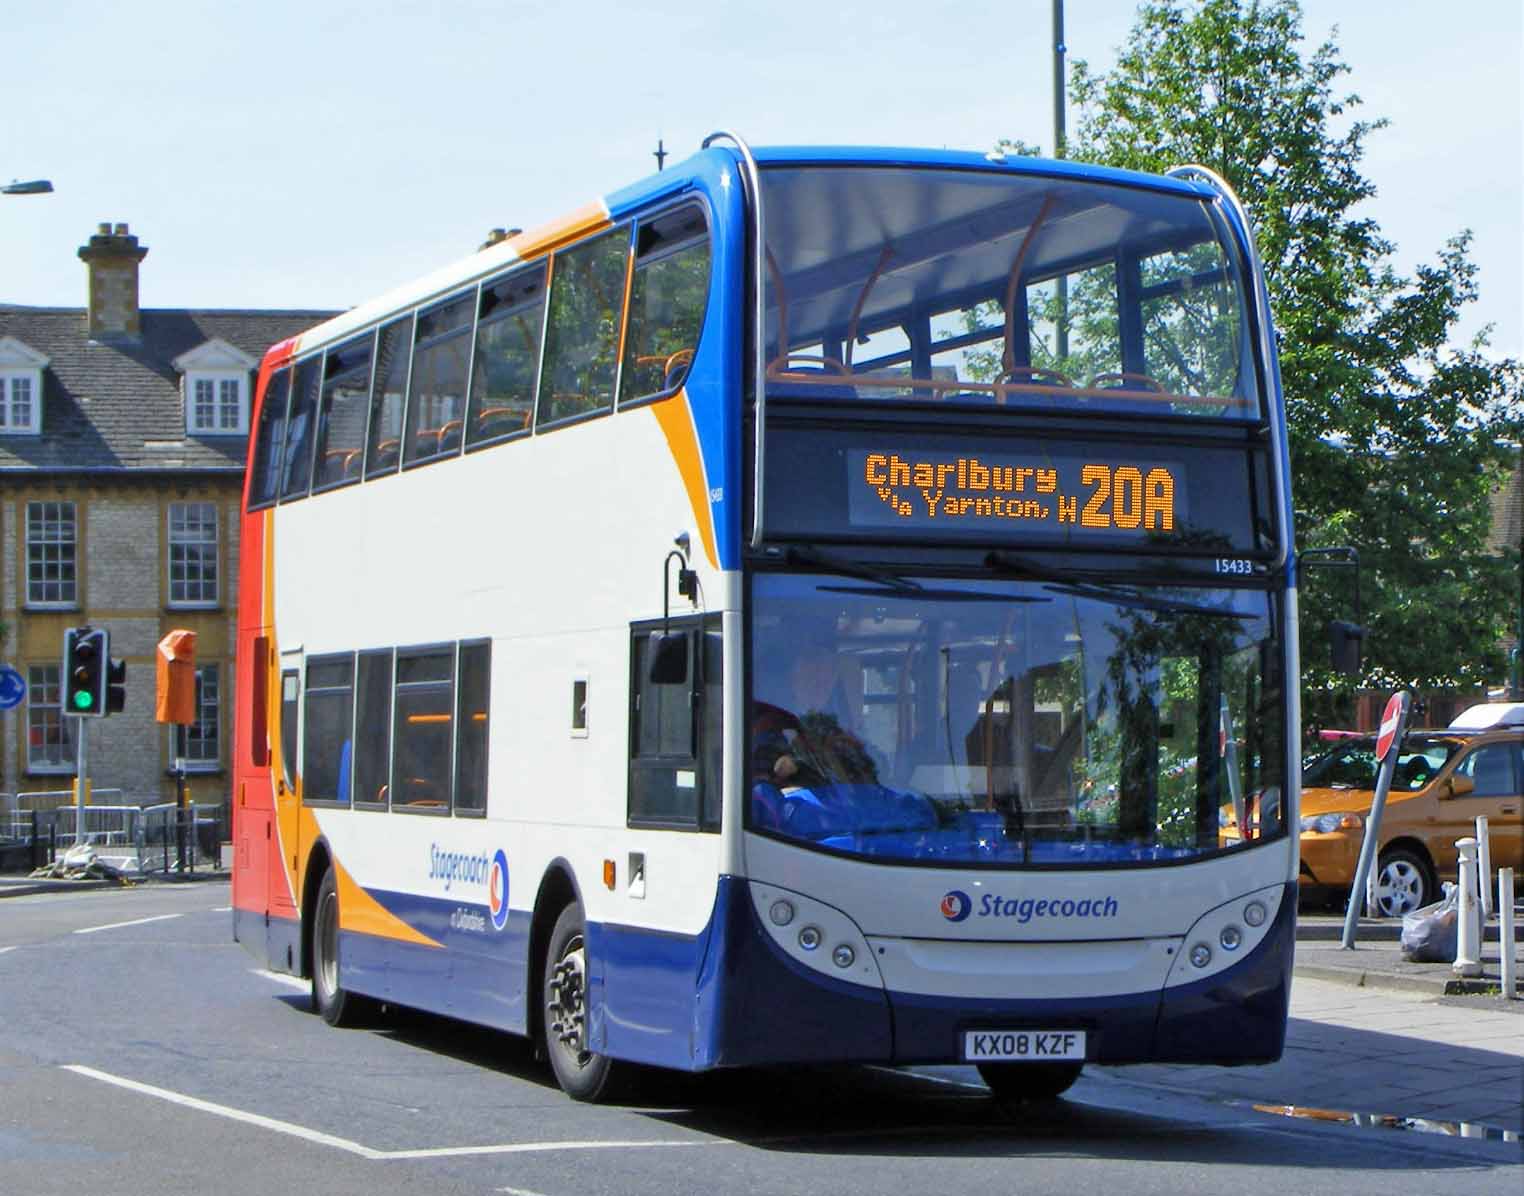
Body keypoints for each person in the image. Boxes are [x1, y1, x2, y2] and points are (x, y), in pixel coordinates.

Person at [751, 620, 877, 790]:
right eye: (811, 666)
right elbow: (761, 782)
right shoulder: (771, 724)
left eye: (829, 670)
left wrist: (866, 752)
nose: (821, 678)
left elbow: (875, 767)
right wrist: (787, 766)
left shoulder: (834, 727)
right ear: (793, 673)